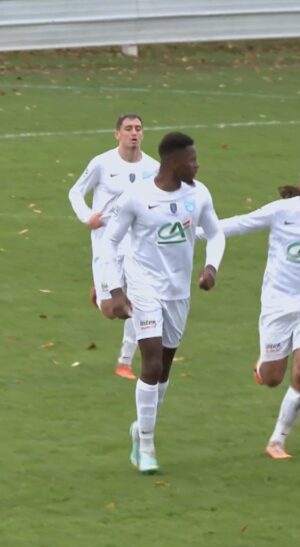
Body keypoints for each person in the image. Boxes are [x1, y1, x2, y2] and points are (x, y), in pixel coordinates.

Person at [99, 132, 225, 475]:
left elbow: (215, 234)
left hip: (177, 291)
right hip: (143, 286)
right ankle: (148, 445)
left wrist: (211, 267)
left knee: (165, 365)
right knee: (151, 360)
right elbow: (110, 243)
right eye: (192, 160)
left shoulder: (199, 195)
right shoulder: (137, 197)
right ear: (173, 162)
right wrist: (115, 290)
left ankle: (140, 427)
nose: (197, 165)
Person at [209, 164, 300, 460]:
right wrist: (194, 230)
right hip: (277, 302)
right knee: (272, 378)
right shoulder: (281, 211)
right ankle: (263, 365)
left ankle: (277, 440)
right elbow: (241, 223)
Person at [68, 113, 160, 379]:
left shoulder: (152, 168)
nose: (134, 133)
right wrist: (87, 216)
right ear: (117, 134)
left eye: (138, 129)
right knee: (112, 310)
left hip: (136, 244)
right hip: (106, 243)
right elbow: (75, 192)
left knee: (137, 303)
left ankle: (125, 361)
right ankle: (100, 295)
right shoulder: (102, 163)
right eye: (128, 128)